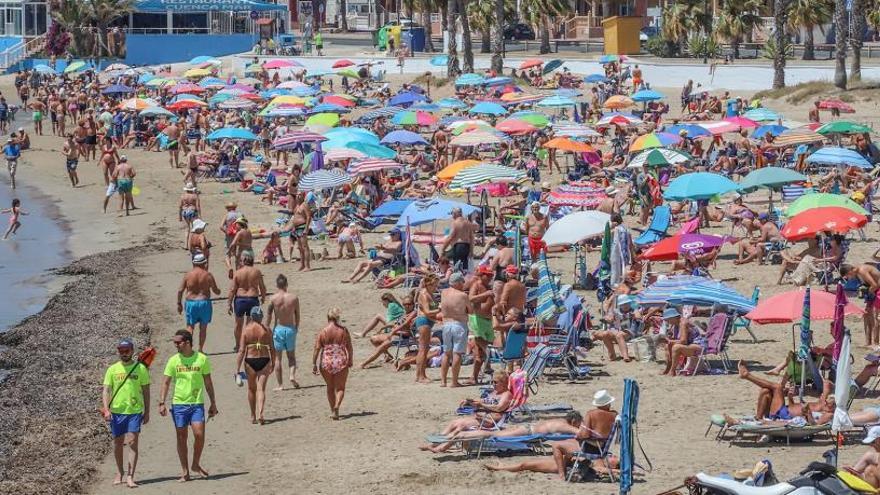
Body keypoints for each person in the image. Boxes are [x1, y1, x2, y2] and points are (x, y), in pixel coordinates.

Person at [158, 330, 218, 483]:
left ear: (188, 342)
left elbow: (208, 382)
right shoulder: (173, 360)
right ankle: (185, 471)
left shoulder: (202, 359)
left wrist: (213, 403)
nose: (176, 345)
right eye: (175, 342)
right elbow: (166, 382)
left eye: (178, 342)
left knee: (199, 434)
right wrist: (161, 402)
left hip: (197, 403)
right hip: (179, 404)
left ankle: (195, 464)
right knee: (181, 436)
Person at [101, 338, 150, 488]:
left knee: (133, 442)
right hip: (116, 412)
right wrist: (106, 409)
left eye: (127, 351)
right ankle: (119, 472)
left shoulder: (140, 368)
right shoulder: (112, 369)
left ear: (132, 351)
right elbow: (106, 390)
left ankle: (130, 476)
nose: (124, 354)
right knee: (117, 443)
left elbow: (146, 391)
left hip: (134, 411)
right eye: (121, 351)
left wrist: (147, 411)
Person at [236, 306, 275, 425]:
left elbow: (242, 350)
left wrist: (237, 369)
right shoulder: (267, 330)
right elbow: (272, 348)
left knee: (251, 389)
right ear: (261, 316)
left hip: (250, 361)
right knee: (261, 388)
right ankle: (261, 413)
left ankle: (253, 416)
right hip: (264, 360)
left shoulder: (246, 330)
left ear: (251, 317)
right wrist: (273, 362)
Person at [313, 307, 353, 420]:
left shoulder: (323, 331)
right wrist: (350, 359)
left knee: (330, 387)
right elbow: (349, 346)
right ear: (337, 318)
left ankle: (332, 410)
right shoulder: (344, 330)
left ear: (328, 318)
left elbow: (317, 348)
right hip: (341, 360)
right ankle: (337, 407)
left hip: (326, 361)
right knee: (340, 388)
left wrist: (314, 364)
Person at [177, 252, 221, 351]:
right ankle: (200, 350)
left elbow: (180, 290)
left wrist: (179, 304)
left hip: (191, 302)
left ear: (194, 263)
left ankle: (188, 349)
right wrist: (219, 291)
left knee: (190, 327)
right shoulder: (208, 275)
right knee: (203, 327)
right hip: (204, 303)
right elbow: (216, 291)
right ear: (204, 263)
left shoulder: (188, 275)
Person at [266, 274, 301, 390]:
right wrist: (296, 328)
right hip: (290, 328)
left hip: (279, 329)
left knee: (277, 358)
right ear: (286, 284)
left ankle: (280, 385)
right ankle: (291, 375)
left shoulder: (273, 299)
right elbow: (297, 315)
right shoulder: (294, 298)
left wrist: (266, 327)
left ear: (277, 285)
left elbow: (269, 315)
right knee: (291, 357)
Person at [227, 250, 267, 352]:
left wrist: (229, 303)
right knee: (250, 324)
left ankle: (238, 345)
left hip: (240, 299)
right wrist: (263, 297)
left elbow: (232, 290)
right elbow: (262, 287)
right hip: (253, 299)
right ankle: (248, 344)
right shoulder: (256, 272)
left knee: (238, 324)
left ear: (243, 260)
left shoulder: (238, 273)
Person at [440, 272, 473, 388]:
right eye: (462, 282)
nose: (463, 284)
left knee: (446, 353)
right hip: (459, 324)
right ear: (458, 283)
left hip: (446, 324)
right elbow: (471, 310)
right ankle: (454, 381)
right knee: (457, 353)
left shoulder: (443, 293)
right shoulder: (462, 295)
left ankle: (443, 381)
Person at [842, 263, 880, 347]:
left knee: (876, 317)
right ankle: (868, 343)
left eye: (848, 276)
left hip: (877, 290)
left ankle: (876, 344)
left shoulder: (862, 270)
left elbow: (875, 285)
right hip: (874, 291)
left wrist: (868, 292)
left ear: (850, 271)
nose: (849, 278)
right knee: (866, 315)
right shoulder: (858, 273)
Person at [469, 265, 496, 384]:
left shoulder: (489, 286)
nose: (490, 277)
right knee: (481, 350)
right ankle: (474, 377)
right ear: (482, 275)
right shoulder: (476, 285)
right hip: (477, 319)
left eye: (491, 275)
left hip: (488, 320)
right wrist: (486, 295)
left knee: (482, 351)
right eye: (488, 275)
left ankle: (475, 376)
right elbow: (471, 298)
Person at [414, 273, 442, 383]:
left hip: (428, 322)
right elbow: (427, 311)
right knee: (423, 350)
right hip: (424, 322)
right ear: (428, 284)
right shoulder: (424, 294)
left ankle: (419, 374)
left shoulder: (430, 294)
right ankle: (421, 376)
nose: (436, 287)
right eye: (434, 285)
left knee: (424, 349)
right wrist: (440, 309)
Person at [286, 192, 312, 271]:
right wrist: (293, 227)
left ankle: (307, 266)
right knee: (300, 248)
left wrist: (306, 228)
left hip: (302, 227)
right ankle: (302, 265)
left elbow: (308, 217)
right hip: (296, 228)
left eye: (300, 194)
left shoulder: (305, 205)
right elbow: (295, 217)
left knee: (305, 247)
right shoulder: (297, 206)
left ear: (303, 196)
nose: (298, 196)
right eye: (297, 194)